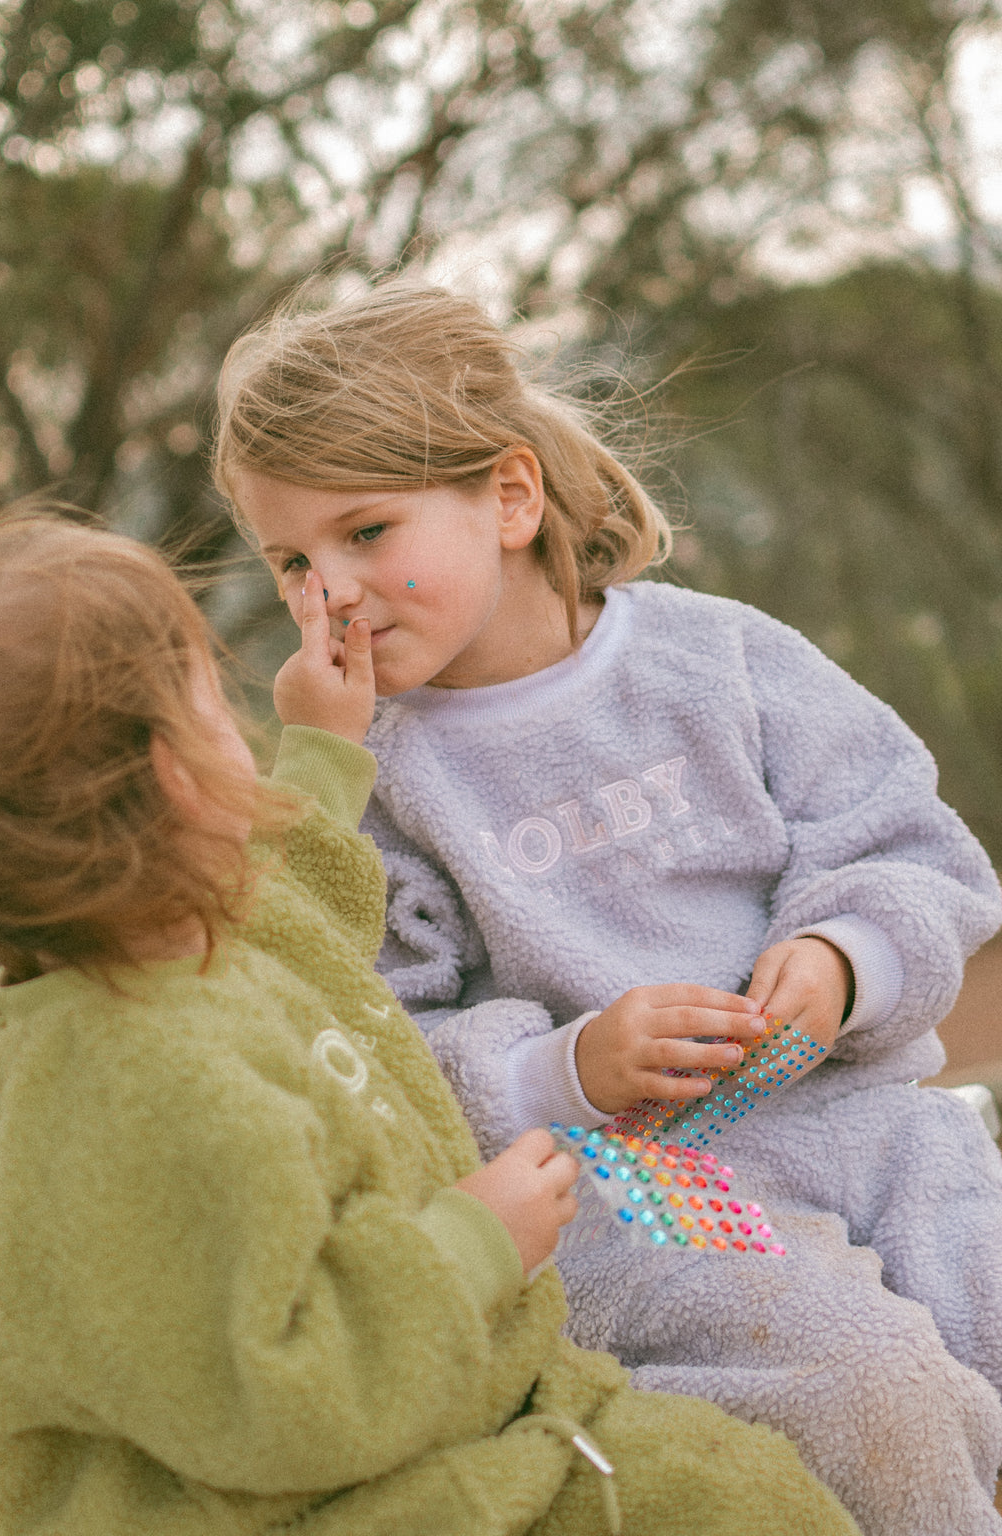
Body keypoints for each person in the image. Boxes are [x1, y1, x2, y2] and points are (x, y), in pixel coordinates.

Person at [213, 278, 1002, 1536]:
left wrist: (840, 957)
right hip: (629, 1188)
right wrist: (567, 1065)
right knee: (874, 1390)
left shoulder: (721, 659)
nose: (331, 590)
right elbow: (365, 1048)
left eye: (366, 532)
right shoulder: (376, 779)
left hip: (867, 1120)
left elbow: (906, 842)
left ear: (510, 498)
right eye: (292, 561)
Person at [0, 508, 862, 1536]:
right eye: (211, 700)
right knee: (725, 1504)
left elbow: (282, 907)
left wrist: (321, 747)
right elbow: (288, 1397)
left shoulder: (158, 947)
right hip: (338, 1497)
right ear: (176, 771)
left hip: (415, 1433)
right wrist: (472, 1243)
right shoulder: (138, 1081)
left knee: (730, 1484)